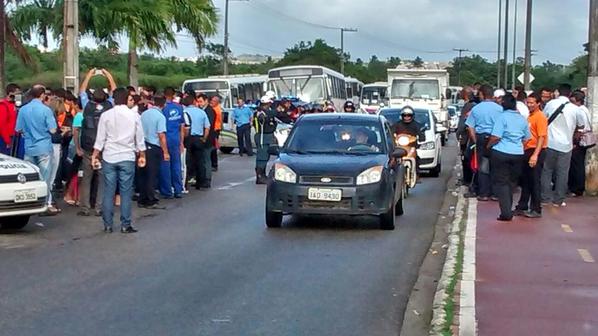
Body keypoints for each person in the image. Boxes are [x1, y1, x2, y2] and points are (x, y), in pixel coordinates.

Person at [92, 88, 146, 233]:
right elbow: (139, 138)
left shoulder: (106, 115)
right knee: (126, 192)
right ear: (126, 98)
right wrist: (142, 155)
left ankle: (108, 224)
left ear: (113, 99)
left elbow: (100, 138)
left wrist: (95, 154)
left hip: (109, 156)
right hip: (127, 156)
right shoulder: (134, 115)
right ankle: (125, 224)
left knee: (108, 191)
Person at [15, 85, 60, 215]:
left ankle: (30, 204)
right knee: (44, 178)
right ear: (42, 95)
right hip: (44, 146)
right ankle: (44, 204)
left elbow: (18, 129)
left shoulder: (23, 110)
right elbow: (52, 130)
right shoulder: (46, 110)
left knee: (30, 178)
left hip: (29, 147)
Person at [541, 84, 587, 207]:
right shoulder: (575, 109)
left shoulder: (550, 104)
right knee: (562, 172)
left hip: (549, 143)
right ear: (569, 93)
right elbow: (581, 126)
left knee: (546, 171)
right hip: (566, 145)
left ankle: (545, 198)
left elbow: (543, 119)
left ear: (558, 92)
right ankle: (558, 199)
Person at [487, 93, 531, 221]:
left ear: (503, 105)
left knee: (501, 183)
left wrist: (488, 146)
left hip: (501, 153)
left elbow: (496, 137)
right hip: (517, 154)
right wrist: (518, 146)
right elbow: (527, 138)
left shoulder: (502, 117)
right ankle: (508, 209)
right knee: (511, 183)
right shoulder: (522, 119)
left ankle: (505, 213)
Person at [77, 82, 113, 216]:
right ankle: (100, 207)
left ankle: (84, 207)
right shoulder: (109, 106)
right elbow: (115, 91)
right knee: (102, 178)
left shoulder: (87, 105)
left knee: (86, 178)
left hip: (88, 146)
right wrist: (108, 76)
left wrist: (90, 74)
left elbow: (81, 91)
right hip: (104, 146)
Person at [465, 84, 503, 201]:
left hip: (481, 138)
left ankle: (484, 193)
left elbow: (470, 127)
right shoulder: (500, 109)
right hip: (496, 138)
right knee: (496, 166)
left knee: (482, 166)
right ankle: (495, 193)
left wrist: (475, 140)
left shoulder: (476, 109)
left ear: (482, 94)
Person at [514, 93, 548, 218]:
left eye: (532, 103)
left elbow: (541, 137)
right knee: (526, 180)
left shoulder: (540, 117)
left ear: (538, 103)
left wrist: (535, 155)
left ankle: (536, 208)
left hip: (536, 150)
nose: (529, 105)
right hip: (527, 150)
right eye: (528, 102)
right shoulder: (530, 116)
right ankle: (522, 205)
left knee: (534, 181)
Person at [139, 95, 169, 208]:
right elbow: (161, 136)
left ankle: (142, 198)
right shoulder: (160, 117)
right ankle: (150, 199)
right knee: (152, 174)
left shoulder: (144, 114)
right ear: (164, 104)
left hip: (143, 145)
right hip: (154, 146)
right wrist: (165, 152)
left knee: (143, 173)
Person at [158, 87, 185, 199]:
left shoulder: (163, 109)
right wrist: (181, 142)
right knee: (176, 165)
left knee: (165, 165)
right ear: (174, 95)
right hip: (176, 138)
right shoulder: (179, 108)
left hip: (165, 138)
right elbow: (182, 126)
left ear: (164, 95)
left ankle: (167, 191)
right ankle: (178, 190)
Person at [182, 94, 211, 190]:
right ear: (194, 102)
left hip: (188, 138)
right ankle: (201, 182)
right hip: (199, 138)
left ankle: (186, 181)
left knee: (187, 161)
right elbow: (207, 127)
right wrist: (204, 138)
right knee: (200, 160)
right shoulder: (201, 112)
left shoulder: (184, 112)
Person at [568, 90, 592, 196]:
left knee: (577, 165)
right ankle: (577, 187)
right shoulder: (584, 110)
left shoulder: (579, 110)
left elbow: (581, 127)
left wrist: (574, 141)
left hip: (579, 140)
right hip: (582, 140)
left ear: (578, 101)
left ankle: (577, 188)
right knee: (578, 164)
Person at [254, 95, 277, 184]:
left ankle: (262, 175)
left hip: (267, 136)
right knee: (262, 157)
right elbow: (263, 118)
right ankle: (260, 176)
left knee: (266, 156)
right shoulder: (260, 112)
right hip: (262, 136)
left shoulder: (267, 111)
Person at [456, 88, 477, 189]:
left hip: (467, 136)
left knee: (466, 158)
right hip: (467, 135)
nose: (460, 94)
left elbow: (463, 123)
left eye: (462, 93)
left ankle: (467, 180)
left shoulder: (469, 106)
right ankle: (467, 179)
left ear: (466, 95)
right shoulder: (471, 105)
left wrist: (458, 133)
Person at [195, 94, 216, 188]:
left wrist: (204, 137)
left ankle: (207, 179)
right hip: (201, 138)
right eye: (198, 102)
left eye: (201, 101)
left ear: (206, 100)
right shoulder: (201, 110)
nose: (199, 104)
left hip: (208, 139)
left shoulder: (210, 111)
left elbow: (208, 125)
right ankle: (201, 178)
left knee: (206, 160)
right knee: (201, 160)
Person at [0, 83, 21, 155]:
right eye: (17, 93)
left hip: (17, 136)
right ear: (11, 93)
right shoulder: (3, 105)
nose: (18, 95)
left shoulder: (16, 104)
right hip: (7, 137)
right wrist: (7, 141)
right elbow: (2, 124)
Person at [209, 95, 223, 171]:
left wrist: (221, 128)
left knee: (213, 147)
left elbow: (220, 120)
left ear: (217, 102)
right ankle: (213, 163)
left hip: (215, 129)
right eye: (212, 100)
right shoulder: (214, 108)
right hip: (214, 129)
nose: (212, 102)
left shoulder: (217, 109)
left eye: (214, 101)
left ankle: (214, 164)